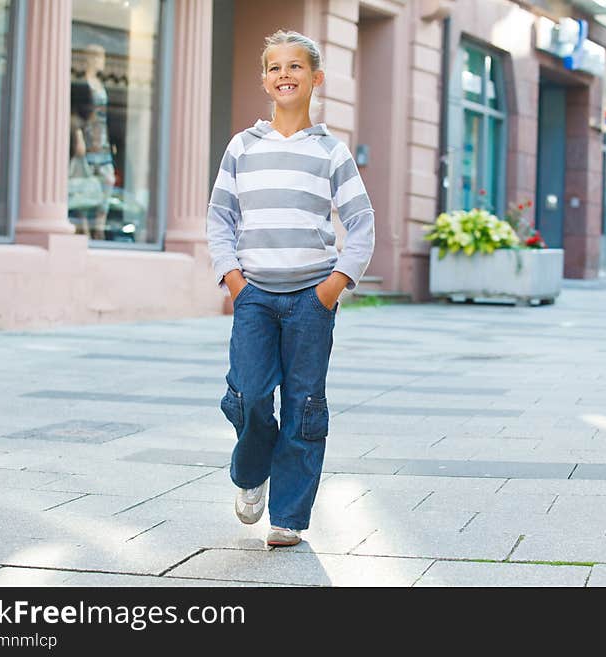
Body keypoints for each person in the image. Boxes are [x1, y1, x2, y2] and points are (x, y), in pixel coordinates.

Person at [206, 30, 375, 548]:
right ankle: (252, 470)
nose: (285, 74)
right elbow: (220, 218)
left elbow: (361, 222)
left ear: (315, 79)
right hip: (254, 294)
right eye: (275, 67)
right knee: (252, 395)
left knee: (303, 406)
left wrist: (334, 286)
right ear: (264, 80)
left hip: (310, 300)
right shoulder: (243, 146)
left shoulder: (331, 151)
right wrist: (233, 278)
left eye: (296, 66)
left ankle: (288, 517)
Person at [70, 43, 115, 240]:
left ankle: (99, 225)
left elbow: (106, 116)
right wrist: (78, 137)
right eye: (98, 58)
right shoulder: (81, 84)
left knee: (108, 180)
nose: (102, 62)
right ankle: (86, 228)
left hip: (102, 141)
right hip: (87, 139)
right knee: (85, 184)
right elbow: (75, 114)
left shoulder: (101, 85)